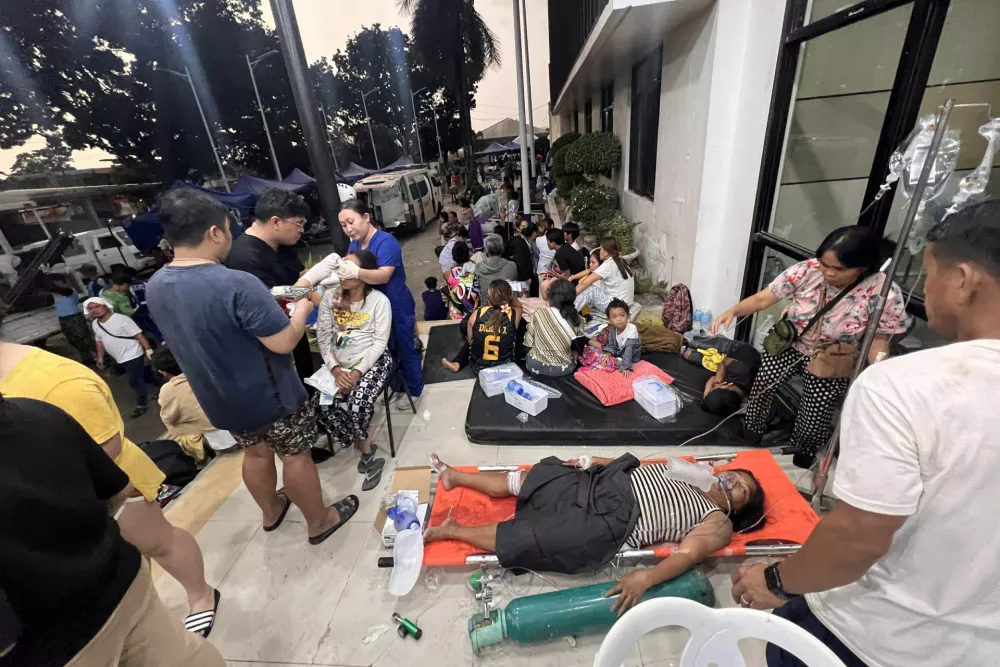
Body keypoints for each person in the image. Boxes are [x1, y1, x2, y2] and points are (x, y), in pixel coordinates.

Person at [729, 201, 1000, 667]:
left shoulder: (903, 384)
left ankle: (802, 445)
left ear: (963, 280)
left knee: (815, 407)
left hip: (875, 637)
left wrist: (776, 580)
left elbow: (857, 537)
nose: (925, 287)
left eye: (930, 271)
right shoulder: (807, 276)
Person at [146, 189, 358, 546]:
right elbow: (283, 342)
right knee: (295, 455)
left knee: (256, 453)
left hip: (220, 398)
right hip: (270, 395)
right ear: (214, 232)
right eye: (228, 230)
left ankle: (272, 511)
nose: (231, 238)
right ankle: (319, 521)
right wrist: (305, 308)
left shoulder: (156, 286)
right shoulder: (236, 282)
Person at [0, 341, 219, 638]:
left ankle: (201, 596)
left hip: (109, 489)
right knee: (129, 565)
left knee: (158, 543)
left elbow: (108, 447)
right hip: (53, 503)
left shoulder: (53, 380)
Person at [427, 452, 765, 612]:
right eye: (736, 475)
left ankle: (453, 529)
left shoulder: (718, 520)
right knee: (536, 477)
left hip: (615, 521)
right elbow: (640, 467)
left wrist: (646, 579)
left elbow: (688, 554)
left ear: (738, 508)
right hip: (608, 480)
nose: (733, 483)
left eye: (741, 491)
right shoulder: (693, 472)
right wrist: (595, 461)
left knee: (538, 539)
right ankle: (455, 477)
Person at [712, 226, 906, 468]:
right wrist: (733, 311)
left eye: (839, 269)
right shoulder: (807, 270)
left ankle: (804, 447)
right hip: (790, 343)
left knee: (816, 409)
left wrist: (879, 370)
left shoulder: (883, 293)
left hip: (832, 354)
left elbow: (879, 338)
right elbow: (765, 297)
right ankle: (752, 429)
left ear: (863, 267)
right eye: (824, 264)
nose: (828, 273)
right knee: (763, 385)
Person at [300, 199, 424, 400]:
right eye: (343, 225)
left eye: (351, 222)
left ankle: (414, 390)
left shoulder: (386, 242)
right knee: (385, 350)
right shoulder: (355, 244)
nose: (348, 229)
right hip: (369, 305)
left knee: (404, 348)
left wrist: (356, 271)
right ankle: (397, 387)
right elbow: (347, 275)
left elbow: (383, 276)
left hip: (395, 302)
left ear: (366, 217)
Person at [312, 251, 391, 492]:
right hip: (339, 365)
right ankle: (357, 440)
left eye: (349, 268)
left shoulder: (379, 301)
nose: (342, 273)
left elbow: (379, 344)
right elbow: (324, 337)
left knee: (358, 402)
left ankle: (365, 450)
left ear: (363, 274)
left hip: (372, 362)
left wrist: (356, 373)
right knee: (319, 405)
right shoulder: (330, 299)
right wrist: (335, 369)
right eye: (341, 268)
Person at [225, 187, 315, 381]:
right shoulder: (245, 258)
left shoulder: (283, 243)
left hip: (296, 328)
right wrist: (310, 290)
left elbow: (299, 273)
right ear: (275, 221)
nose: (302, 229)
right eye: (298, 223)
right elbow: (272, 296)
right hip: (273, 344)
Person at [152, 345, 235, 463]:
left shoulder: (168, 391)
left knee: (177, 428)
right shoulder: (212, 367)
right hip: (252, 426)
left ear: (163, 372)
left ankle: (202, 459)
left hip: (226, 443)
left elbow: (168, 419)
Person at [87, 296, 158, 418]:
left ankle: (142, 403)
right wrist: (100, 357)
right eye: (90, 308)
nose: (94, 310)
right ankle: (165, 384)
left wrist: (149, 351)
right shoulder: (95, 324)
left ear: (105, 306)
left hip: (134, 354)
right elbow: (99, 342)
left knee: (134, 380)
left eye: (97, 306)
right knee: (147, 376)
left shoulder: (122, 320)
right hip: (119, 358)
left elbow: (139, 336)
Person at [442, 279, 521, 374]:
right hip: (505, 368)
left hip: (479, 368)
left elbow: (470, 341)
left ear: (489, 297)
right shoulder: (515, 313)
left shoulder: (476, 314)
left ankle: (457, 363)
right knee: (517, 329)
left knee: (474, 339)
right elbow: (518, 305)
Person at [682, 336, 762, 417]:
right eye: (714, 387)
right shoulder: (740, 370)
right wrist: (718, 378)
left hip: (730, 367)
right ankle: (720, 338)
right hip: (735, 350)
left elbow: (712, 379)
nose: (714, 384)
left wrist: (706, 396)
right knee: (693, 342)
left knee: (687, 354)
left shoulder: (734, 396)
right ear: (726, 386)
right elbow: (723, 361)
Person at [524, 278, 585, 377]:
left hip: (535, 367)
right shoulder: (578, 319)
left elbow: (528, 342)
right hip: (564, 370)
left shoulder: (539, 313)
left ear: (550, 296)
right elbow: (579, 348)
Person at [575, 237, 635, 314]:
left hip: (616, 306)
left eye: (600, 249)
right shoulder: (621, 262)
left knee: (589, 289)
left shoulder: (608, 264)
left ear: (606, 252)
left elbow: (584, 283)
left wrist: (568, 297)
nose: (599, 251)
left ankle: (569, 313)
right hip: (626, 304)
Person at [45, 274, 95, 365]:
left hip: (74, 318)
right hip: (64, 319)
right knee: (74, 340)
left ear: (60, 282)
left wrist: (46, 275)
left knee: (84, 339)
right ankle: (87, 358)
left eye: (54, 282)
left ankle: (100, 356)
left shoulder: (70, 291)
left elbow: (54, 289)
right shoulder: (56, 293)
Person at [587, 299, 640, 375]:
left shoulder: (632, 329)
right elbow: (611, 345)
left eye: (622, 315)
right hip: (619, 354)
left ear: (628, 316)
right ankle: (615, 361)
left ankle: (621, 363)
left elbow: (629, 348)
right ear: (609, 320)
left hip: (631, 356)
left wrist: (626, 367)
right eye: (614, 316)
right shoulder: (612, 330)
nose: (619, 319)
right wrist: (608, 354)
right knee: (599, 356)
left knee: (622, 364)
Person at [446, 241, 479, 319]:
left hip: (457, 316)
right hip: (475, 314)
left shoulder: (447, 274)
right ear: (468, 254)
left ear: (453, 256)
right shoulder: (476, 269)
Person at [511, 221, 537, 296]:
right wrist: (527, 277)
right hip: (521, 278)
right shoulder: (521, 243)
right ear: (534, 233)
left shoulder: (522, 241)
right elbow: (520, 261)